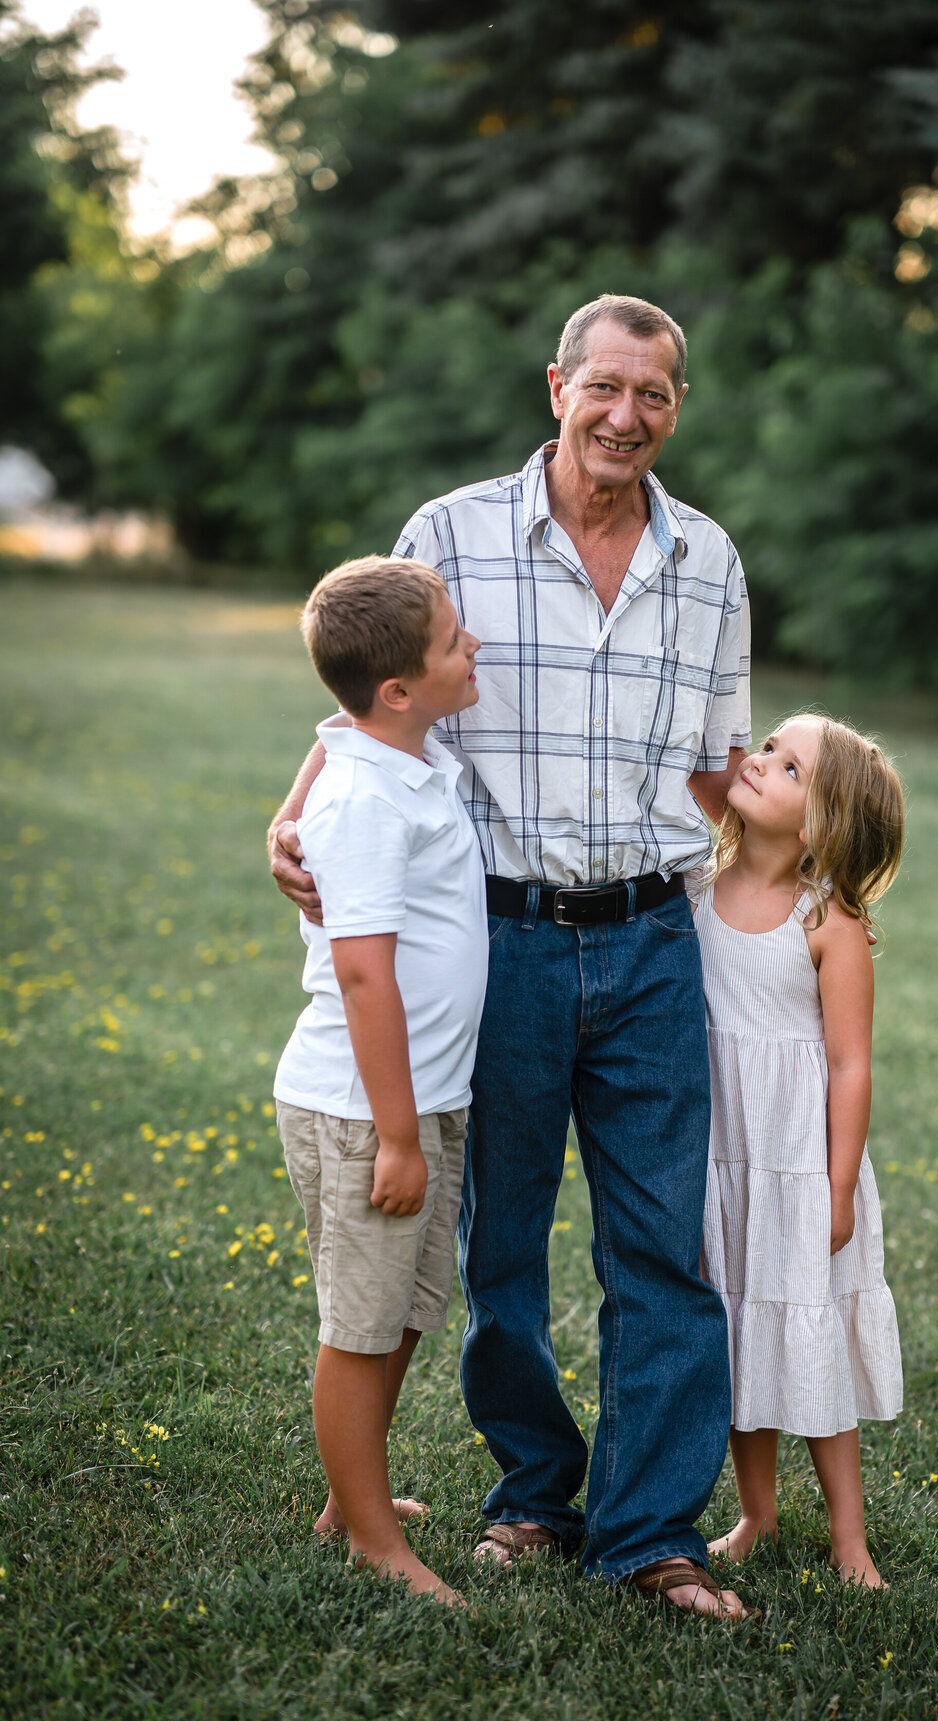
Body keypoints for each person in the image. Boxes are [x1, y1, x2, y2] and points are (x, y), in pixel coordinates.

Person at [269, 294, 753, 1618]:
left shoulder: (709, 561)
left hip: (658, 939)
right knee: (500, 1250)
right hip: (501, 943)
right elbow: (368, 688)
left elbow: (720, 772)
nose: (626, 417)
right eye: (605, 386)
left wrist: (798, 901)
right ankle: (535, 1490)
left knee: (664, 1246)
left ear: (675, 406)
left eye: (653, 394)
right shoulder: (450, 533)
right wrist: (295, 799)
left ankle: (649, 1528)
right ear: (557, 387)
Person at [273, 555, 485, 1605]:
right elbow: (363, 972)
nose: (472, 647)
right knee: (359, 1326)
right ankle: (370, 1540)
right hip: (365, 1111)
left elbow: (326, 733)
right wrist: (398, 1135)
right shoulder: (362, 794)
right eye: (455, 641)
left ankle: (349, 1498)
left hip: (423, 1101)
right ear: (398, 687)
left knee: (402, 1309)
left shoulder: (398, 753)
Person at [693, 712, 905, 1587]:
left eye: (788, 766)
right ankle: (756, 1514)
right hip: (725, 1156)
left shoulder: (829, 918)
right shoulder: (700, 884)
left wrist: (840, 1183)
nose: (760, 760)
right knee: (742, 1328)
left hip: (802, 1163)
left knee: (808, 1331)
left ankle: (849, 1537)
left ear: (820, 824)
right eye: (768, 745)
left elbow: (852, 1065)